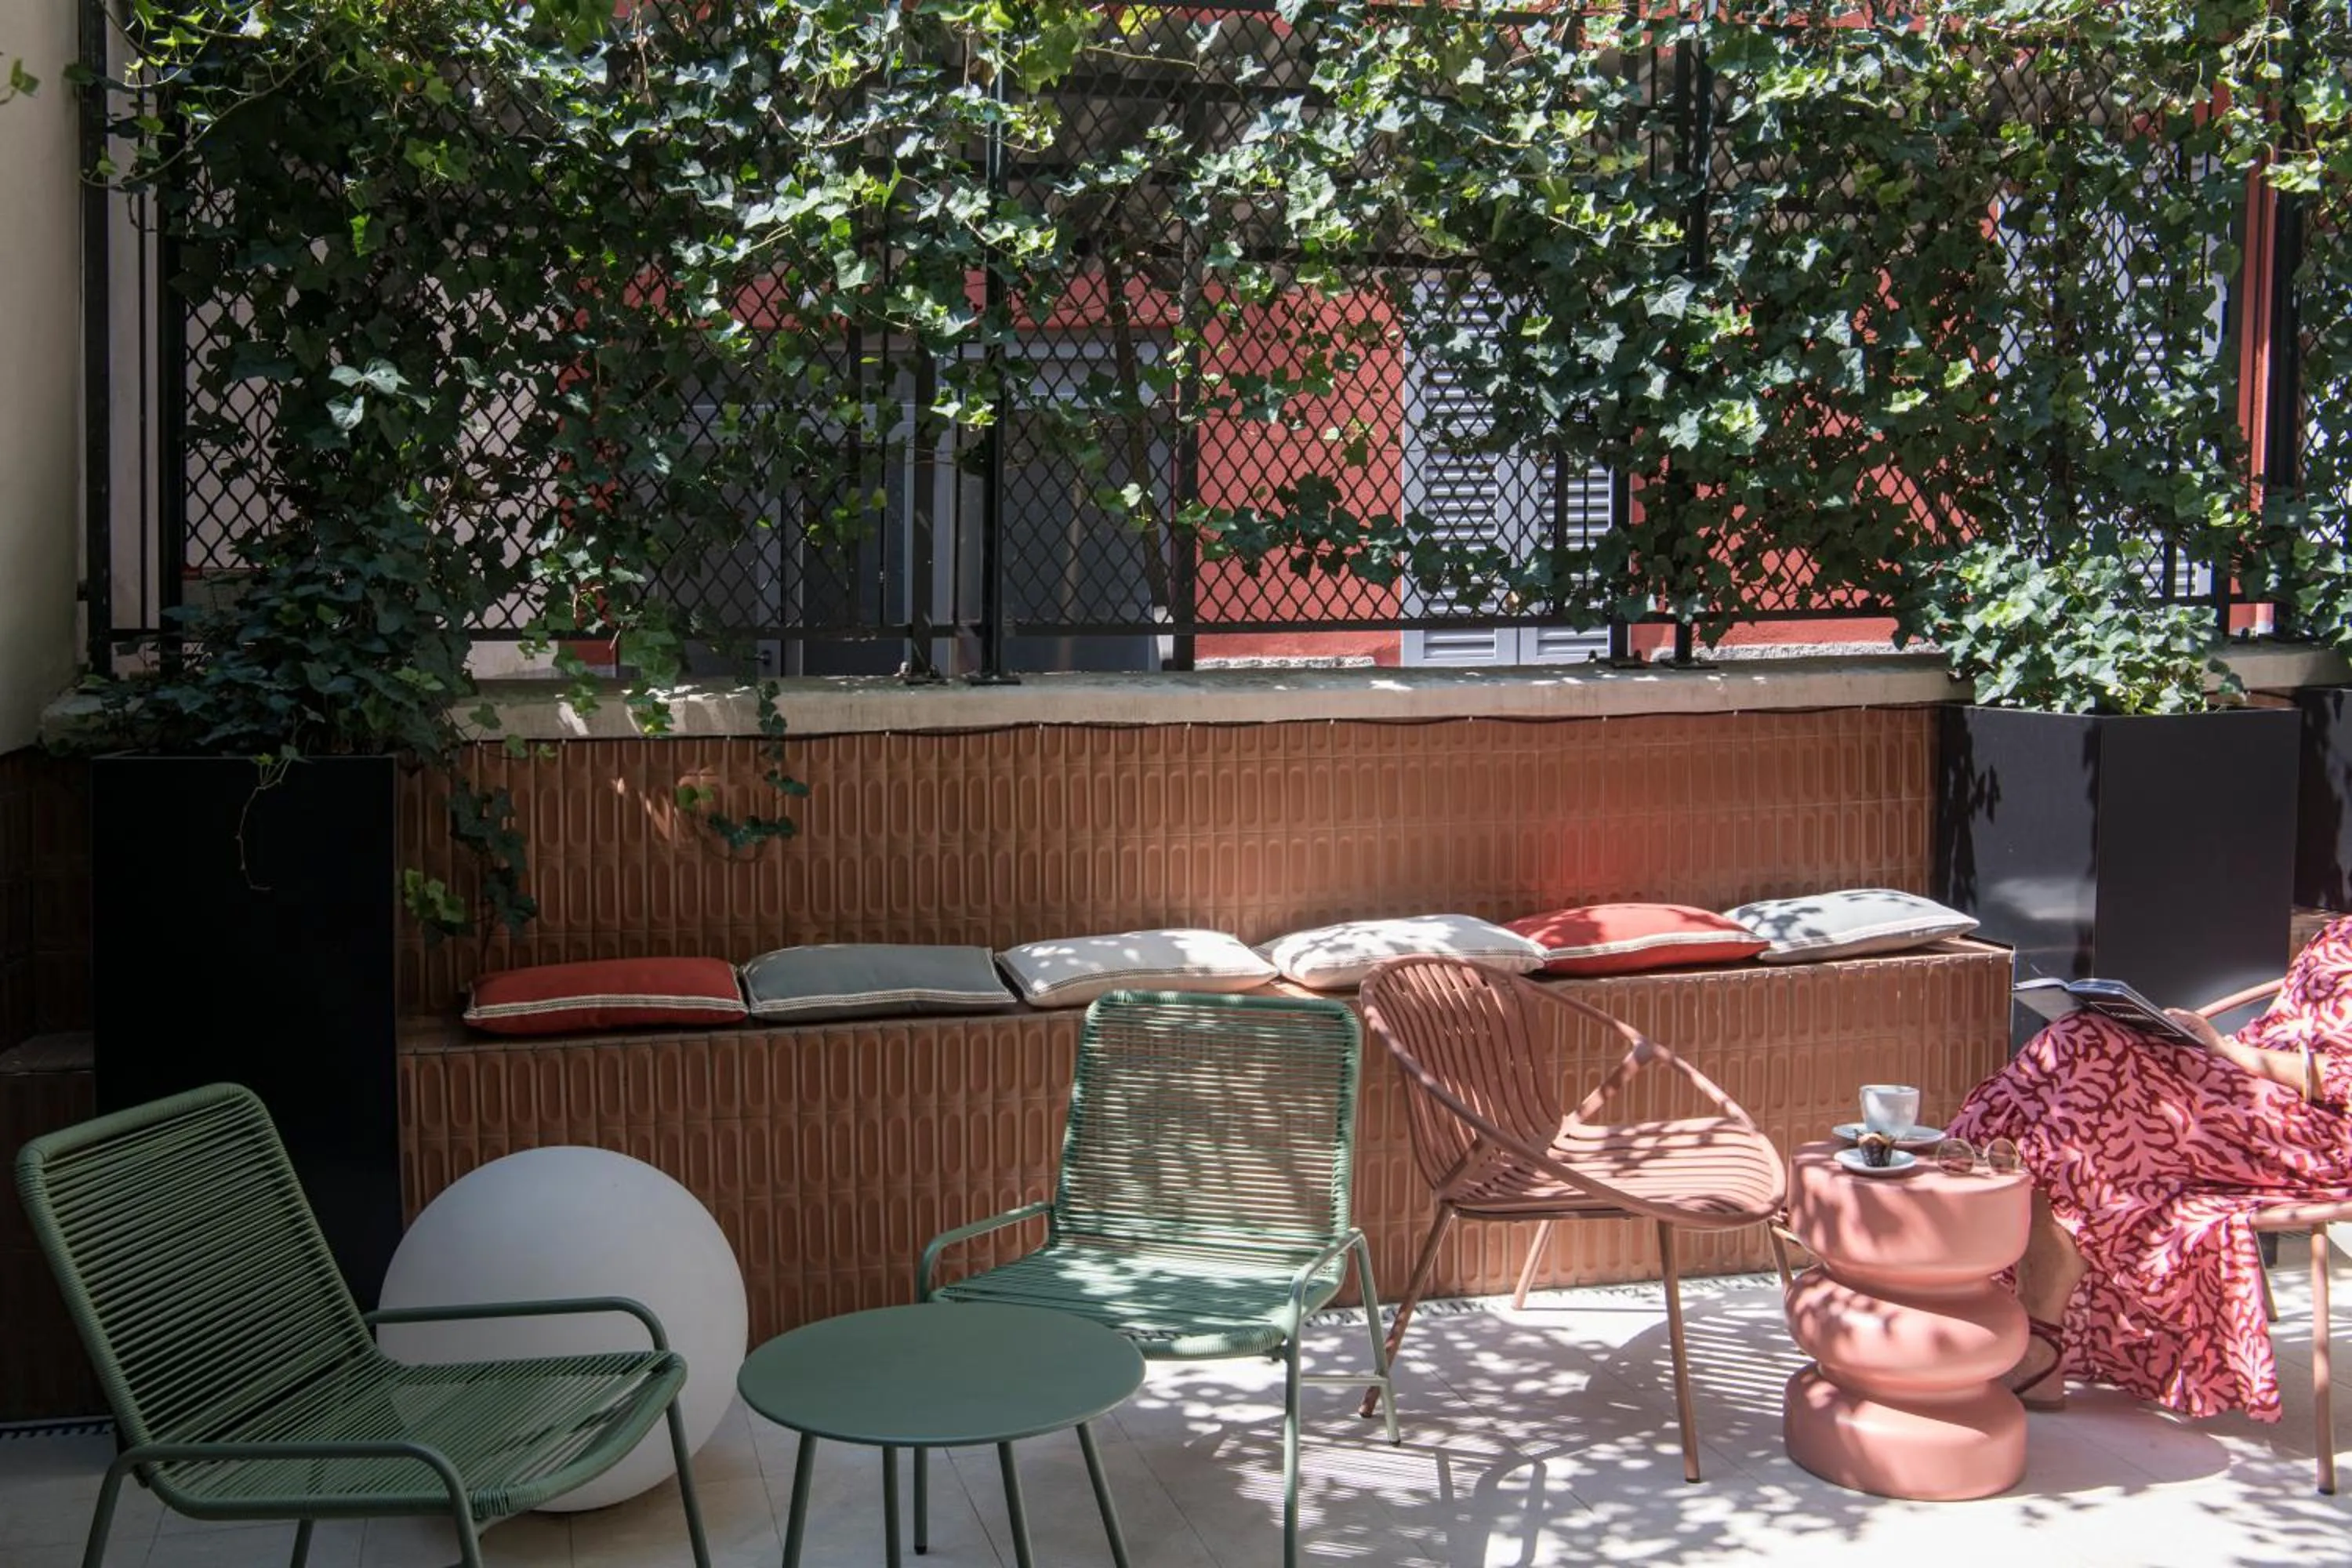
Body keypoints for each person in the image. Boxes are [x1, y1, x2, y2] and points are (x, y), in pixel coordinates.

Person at [1945, 916, 2352, 1418]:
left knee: (2085, 1065)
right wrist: (2192, 1045)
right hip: (2250, 1094)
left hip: (2318, 1135)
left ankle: (1956, 1179)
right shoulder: (2341, 932)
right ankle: (1979, 1198)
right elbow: (2286, 1032)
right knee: (2078, 1044)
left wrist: (2225, 1052)